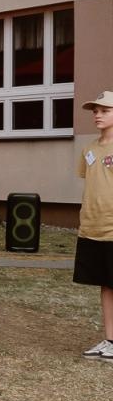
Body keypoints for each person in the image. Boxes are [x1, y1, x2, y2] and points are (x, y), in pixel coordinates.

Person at [75, 90, 113, 363]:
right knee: (106, 285)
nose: (98, 115)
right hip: (92, 227)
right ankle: (110, 340)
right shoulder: (89, 149)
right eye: (95, 111)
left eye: (105, 110)